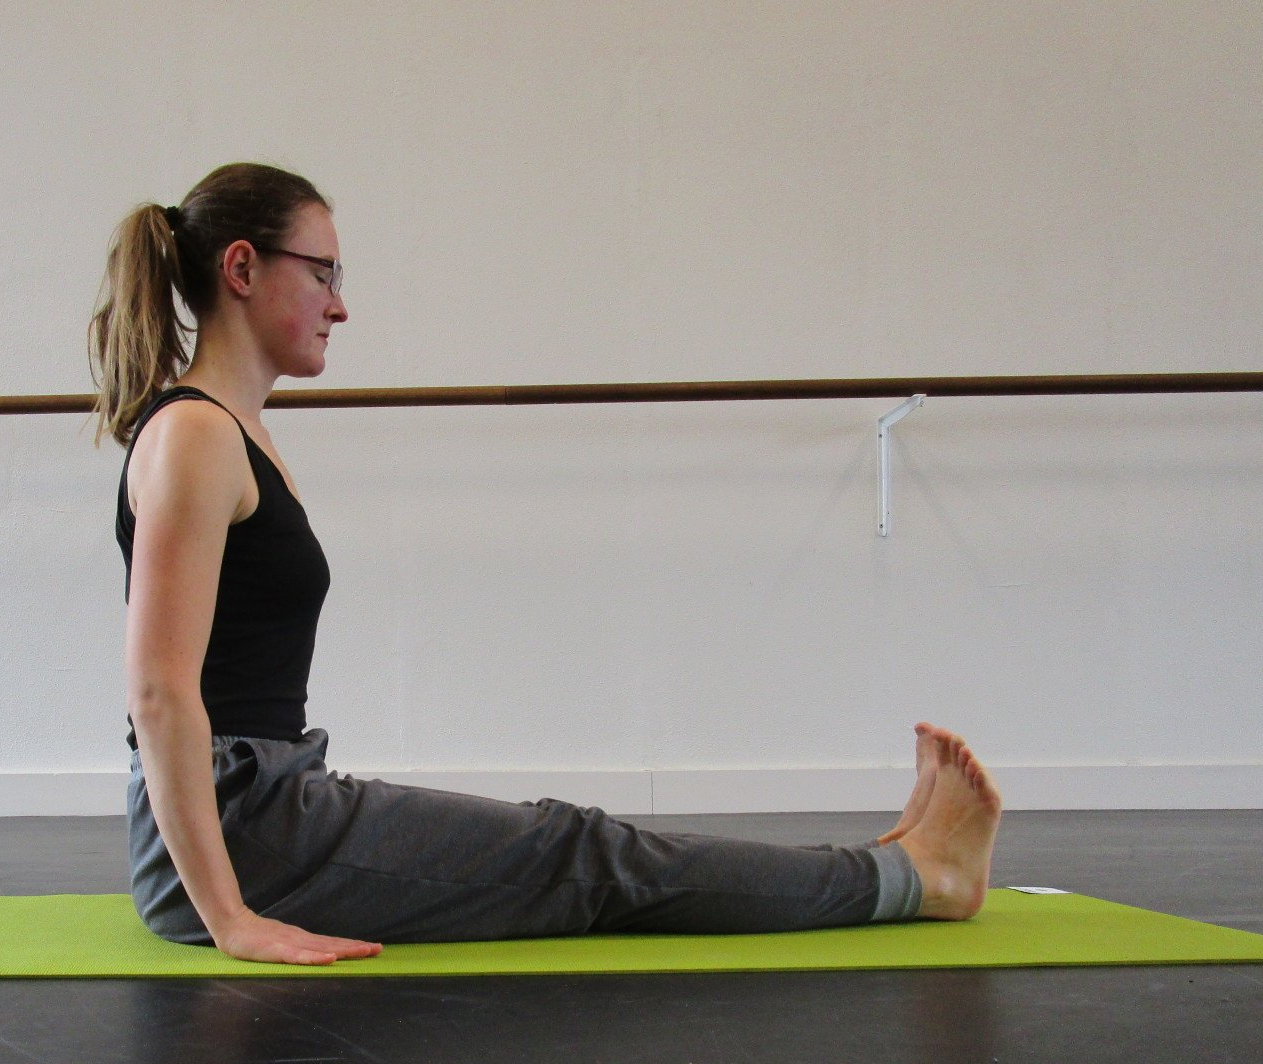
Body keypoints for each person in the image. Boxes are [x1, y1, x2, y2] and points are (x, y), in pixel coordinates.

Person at [86, 161, 1003, 967]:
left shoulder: (235, 433)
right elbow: (160, 694)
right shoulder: (197, 434)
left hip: (267, 812)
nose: (340, 303)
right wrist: (232, 918)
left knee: (574, 846)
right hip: (245, 835)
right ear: (242, 269)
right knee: (581, 853)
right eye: (322, 272)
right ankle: (918, 881)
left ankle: (895, 868)